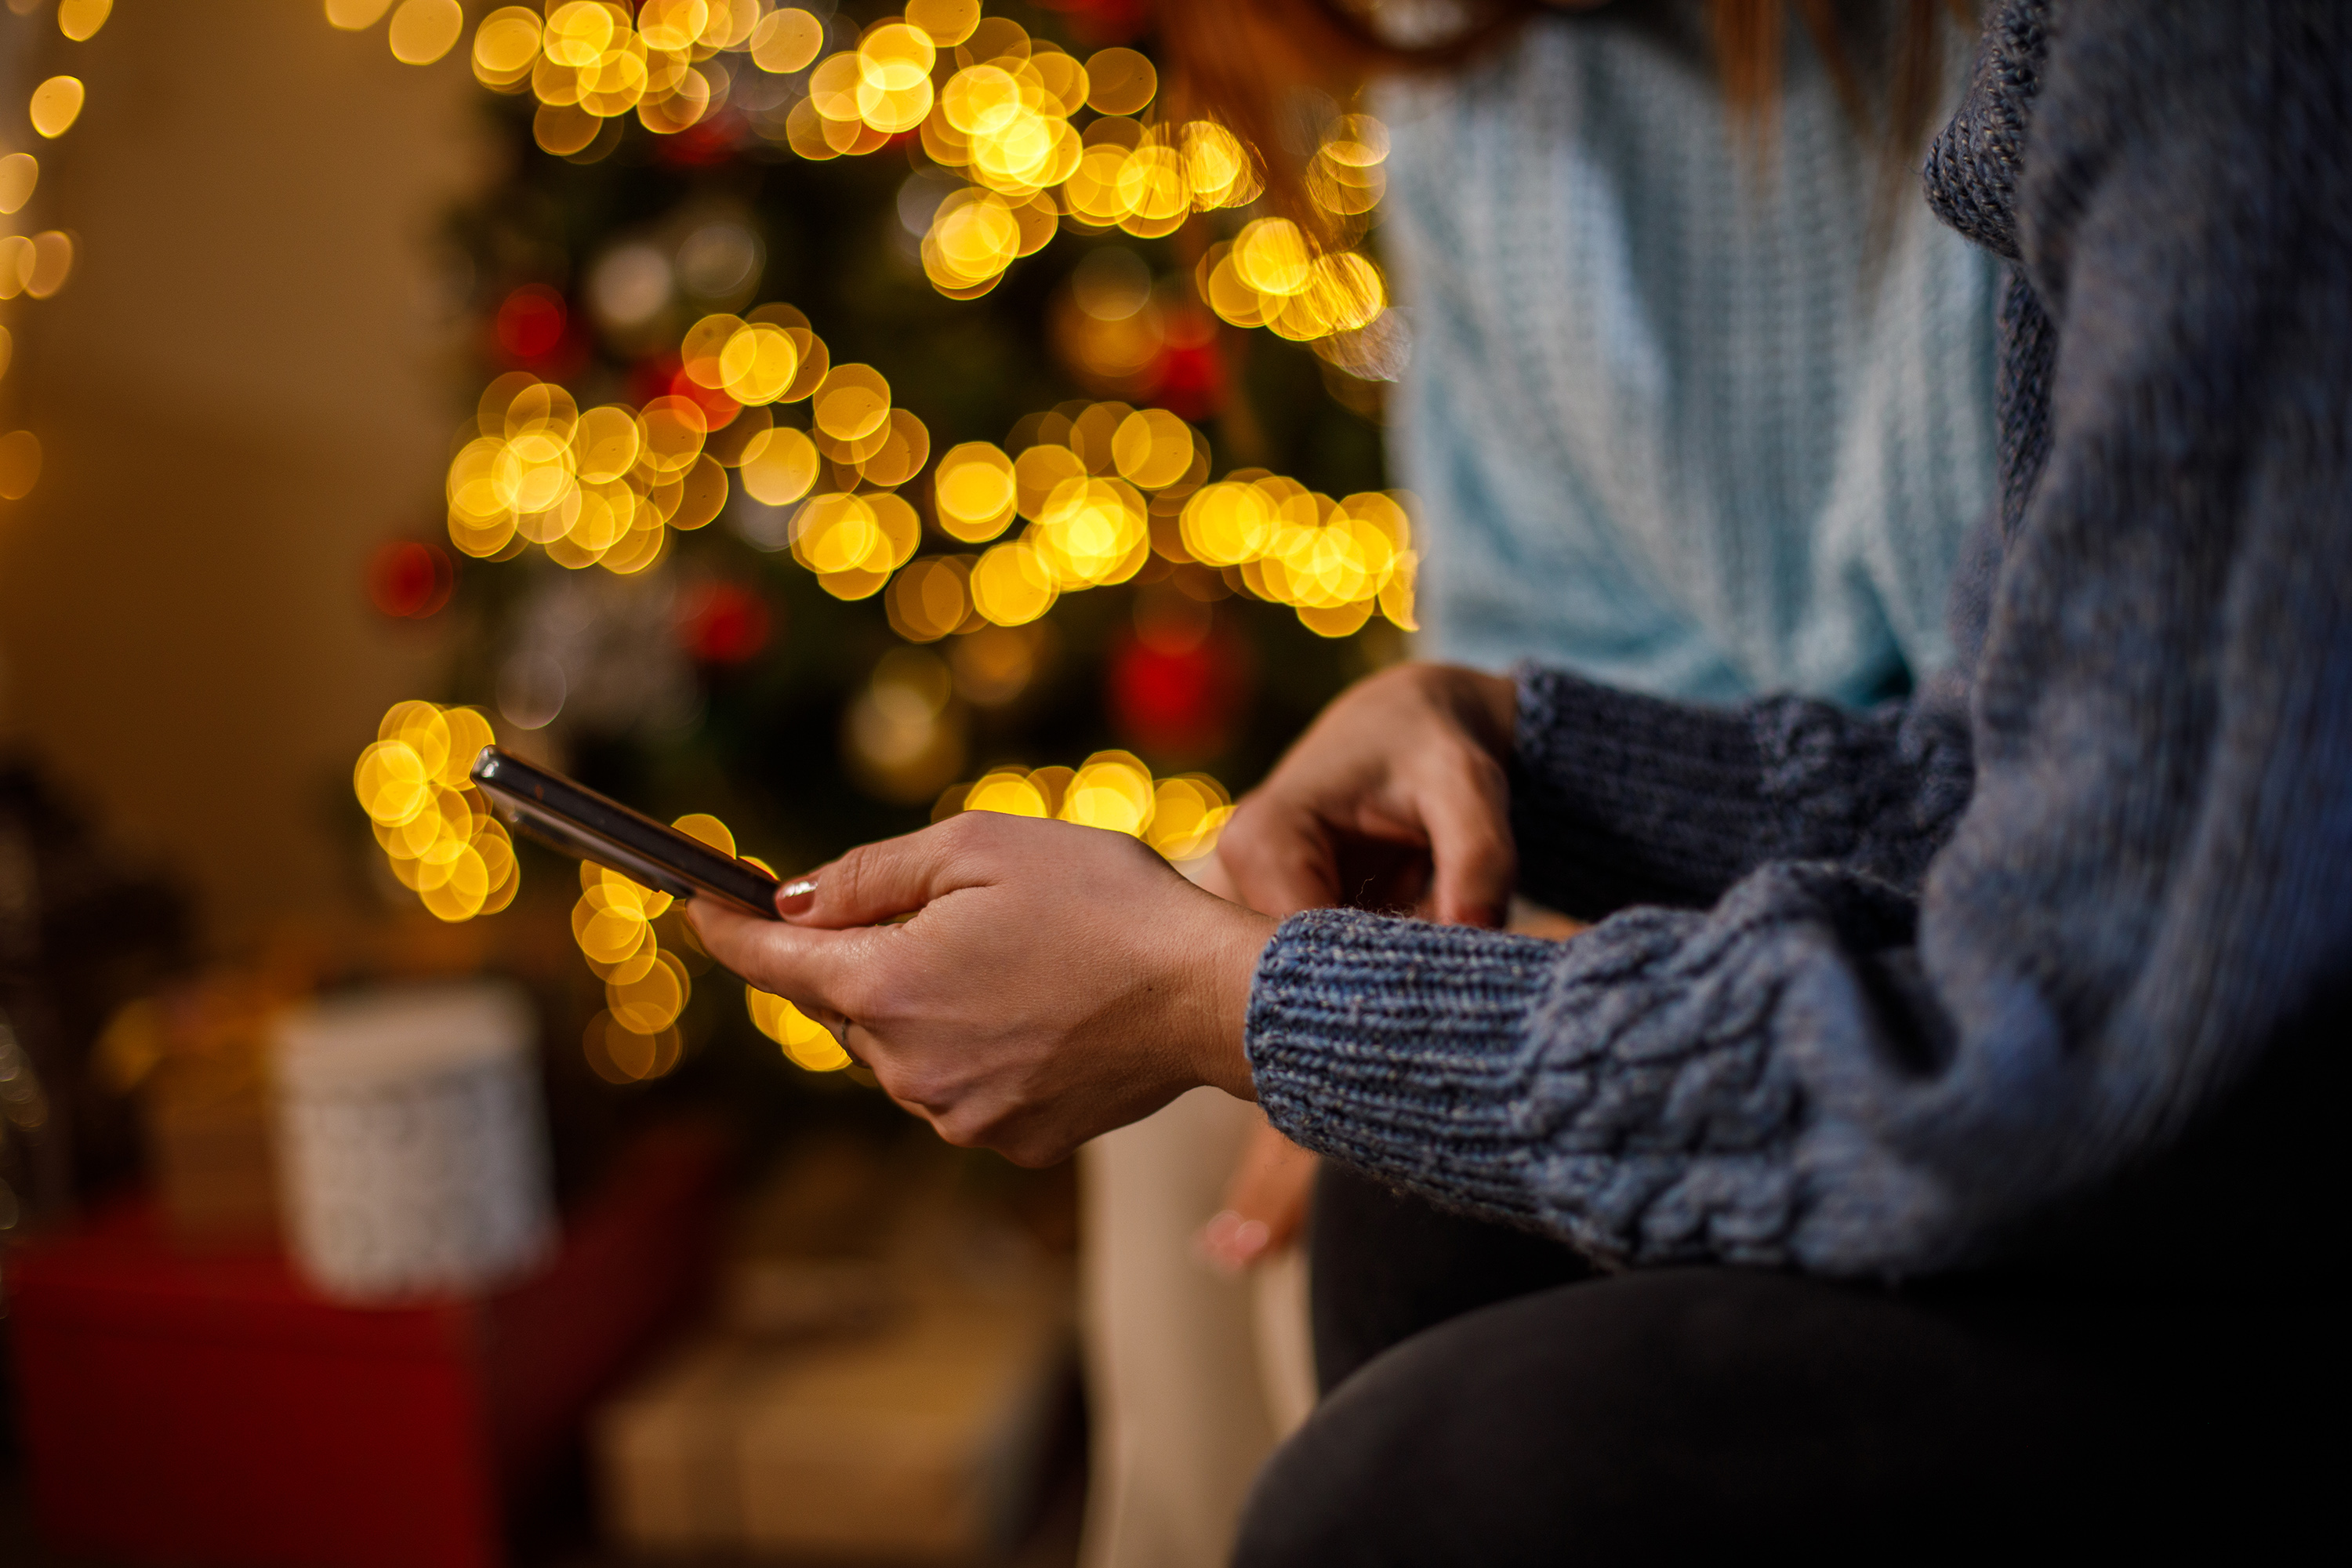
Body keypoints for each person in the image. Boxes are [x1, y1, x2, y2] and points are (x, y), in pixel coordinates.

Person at [693, 0, 2344, 1551]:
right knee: (1399, 1224)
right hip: (2112, 1062)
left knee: (1422, 1472)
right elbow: (2027, 773)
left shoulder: (2214, 66)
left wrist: (1246, 1003)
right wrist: (1518, 746)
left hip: (2179, 1126)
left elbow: (2049, 1040)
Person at [1087, 5, 2000, 1555]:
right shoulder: (1476, 94)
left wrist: (1362, 1031)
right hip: (1684, 860)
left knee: (1371, 1264)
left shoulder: (2046, 79)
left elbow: (2051, 838)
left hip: (1945, 938)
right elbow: (1519, 650)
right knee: (1175, 1141)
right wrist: (1409, 911)